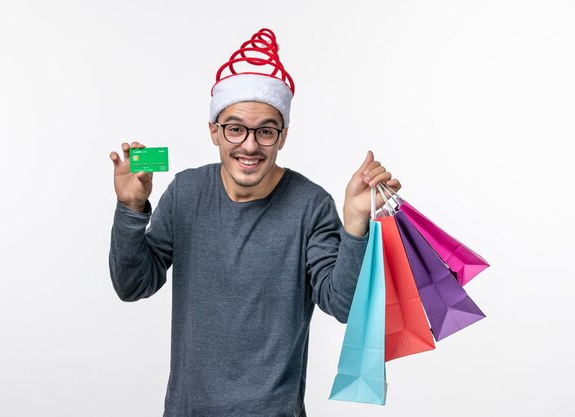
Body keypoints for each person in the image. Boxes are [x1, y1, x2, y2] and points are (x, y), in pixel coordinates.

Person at [108, 28, 401, 417]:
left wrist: (354, 224)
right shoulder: (186, 192)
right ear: (214, 132)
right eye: (235, 128)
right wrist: (131, 210)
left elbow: (344, 305)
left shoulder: (310, 204)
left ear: (282, 137)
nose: (249, 145)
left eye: (265, 131)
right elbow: (133, 286)